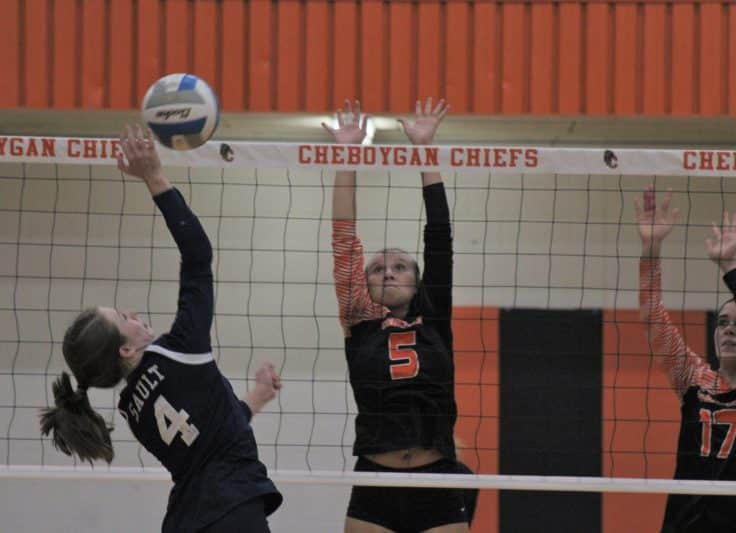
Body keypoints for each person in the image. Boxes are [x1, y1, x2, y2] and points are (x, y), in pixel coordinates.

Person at [40, 125, 282, 533]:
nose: (134, 313)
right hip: (230, 509)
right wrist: (154, 176)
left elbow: (212, 434)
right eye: (123, 318)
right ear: (125, 350)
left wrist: (255, 399)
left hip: (192, 517)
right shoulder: (180, 351)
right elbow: (198, 256)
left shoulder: (132, 405)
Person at [324, 99, 477, 533]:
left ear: (418, 281)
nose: (388, 271)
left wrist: (425, 151)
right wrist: (347, 155)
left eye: (401, 266)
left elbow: (440, 237)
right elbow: (342, 236)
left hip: (438, 479)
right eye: (377, 268)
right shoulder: (360, 319)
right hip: (376, 481)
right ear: (366, 284)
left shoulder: (436, 317)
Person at [636, 184, 736, 532]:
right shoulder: (695, 378)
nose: (729, 330)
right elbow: (652, 316)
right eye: (722, 322)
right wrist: (652, 247)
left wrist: (731, 269)